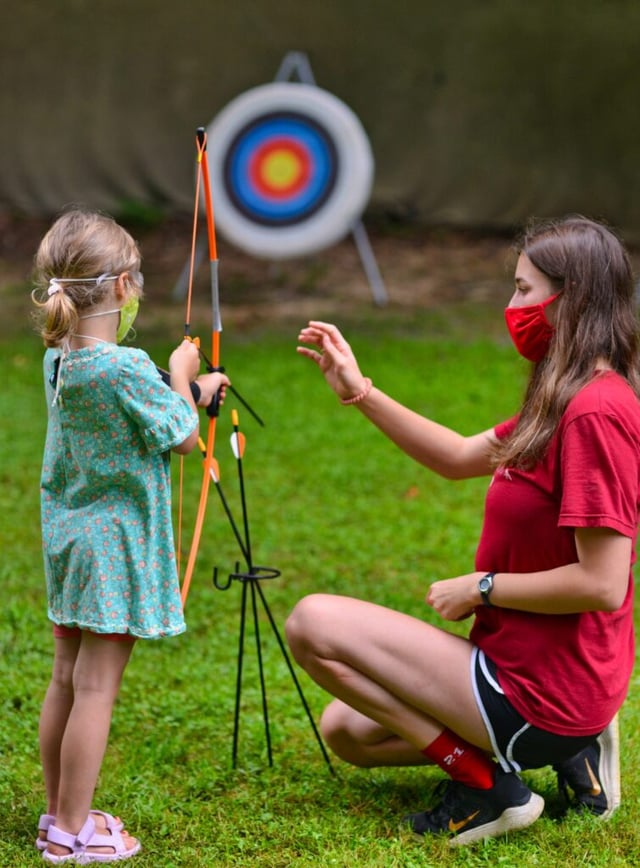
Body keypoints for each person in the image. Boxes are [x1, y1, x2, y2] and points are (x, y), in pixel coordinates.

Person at [286, 215, 638, 846]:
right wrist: (359, 391)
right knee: (348, 732)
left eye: (524, 290)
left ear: (572, 298)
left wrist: (482, 586)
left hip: (545, 689)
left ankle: (491, 786)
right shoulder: (561, 398)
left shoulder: (595, 413)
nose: (512, 306)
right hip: (514, 663)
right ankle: (566, 751)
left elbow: (603, 582)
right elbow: (454, 456)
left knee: (313, 622)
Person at [31, 208, 229, 863]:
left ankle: (59, 814)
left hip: (71, 543)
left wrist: (188, 388)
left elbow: (143, 413)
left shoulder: (60, 359)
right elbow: (181, 436)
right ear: (122, 287)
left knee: (66, 680)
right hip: (113, 551)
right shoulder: (127, 367)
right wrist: (183, 376)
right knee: (95, 690)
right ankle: (73, 832)